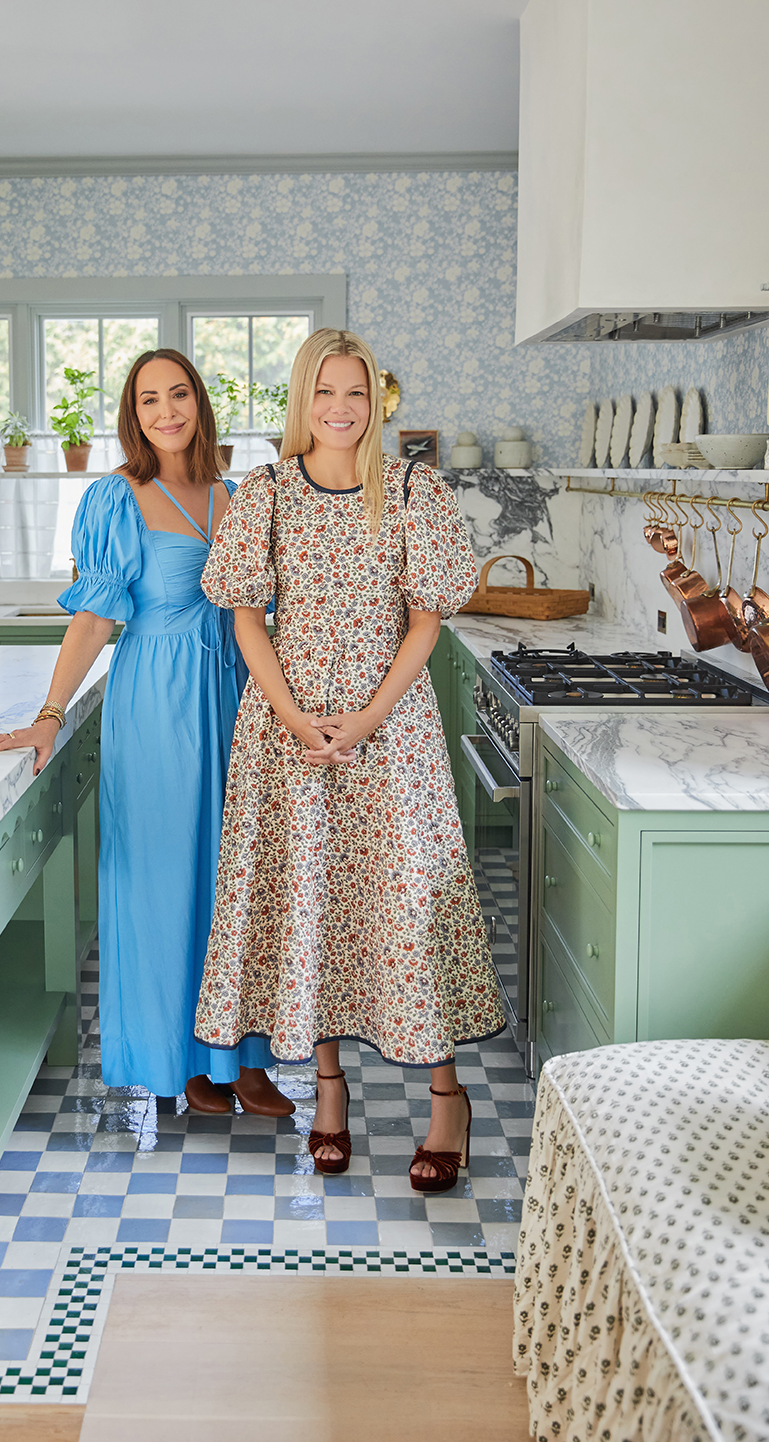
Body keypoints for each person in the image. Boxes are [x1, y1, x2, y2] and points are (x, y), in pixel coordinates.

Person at [194, 328, 505, 1184]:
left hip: (390, 733)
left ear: (377, 402)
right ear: (303, 399)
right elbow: (246, 616)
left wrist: (367, 716)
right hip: (287, 737)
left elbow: (427, 621)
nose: (340, 408)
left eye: (357, 394)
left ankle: (449, 1101)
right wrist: (296, 717)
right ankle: (328, 1093)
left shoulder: (412, 488)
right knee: (315, 909)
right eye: (325, 391)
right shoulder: (263, 494)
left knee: (408, 912)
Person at [0, 348, 292, 1117]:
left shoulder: (239, 494)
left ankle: (245, 1060)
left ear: (199, 401)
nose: (166, 411)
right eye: (149, 400)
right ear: (133, 414)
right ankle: (180, 1058)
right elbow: (94, 620)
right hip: (158, 703)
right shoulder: (118, 498)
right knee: (166, 879)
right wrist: (49, 716)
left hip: (238, 697)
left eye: (178, 394)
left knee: (240, 879)